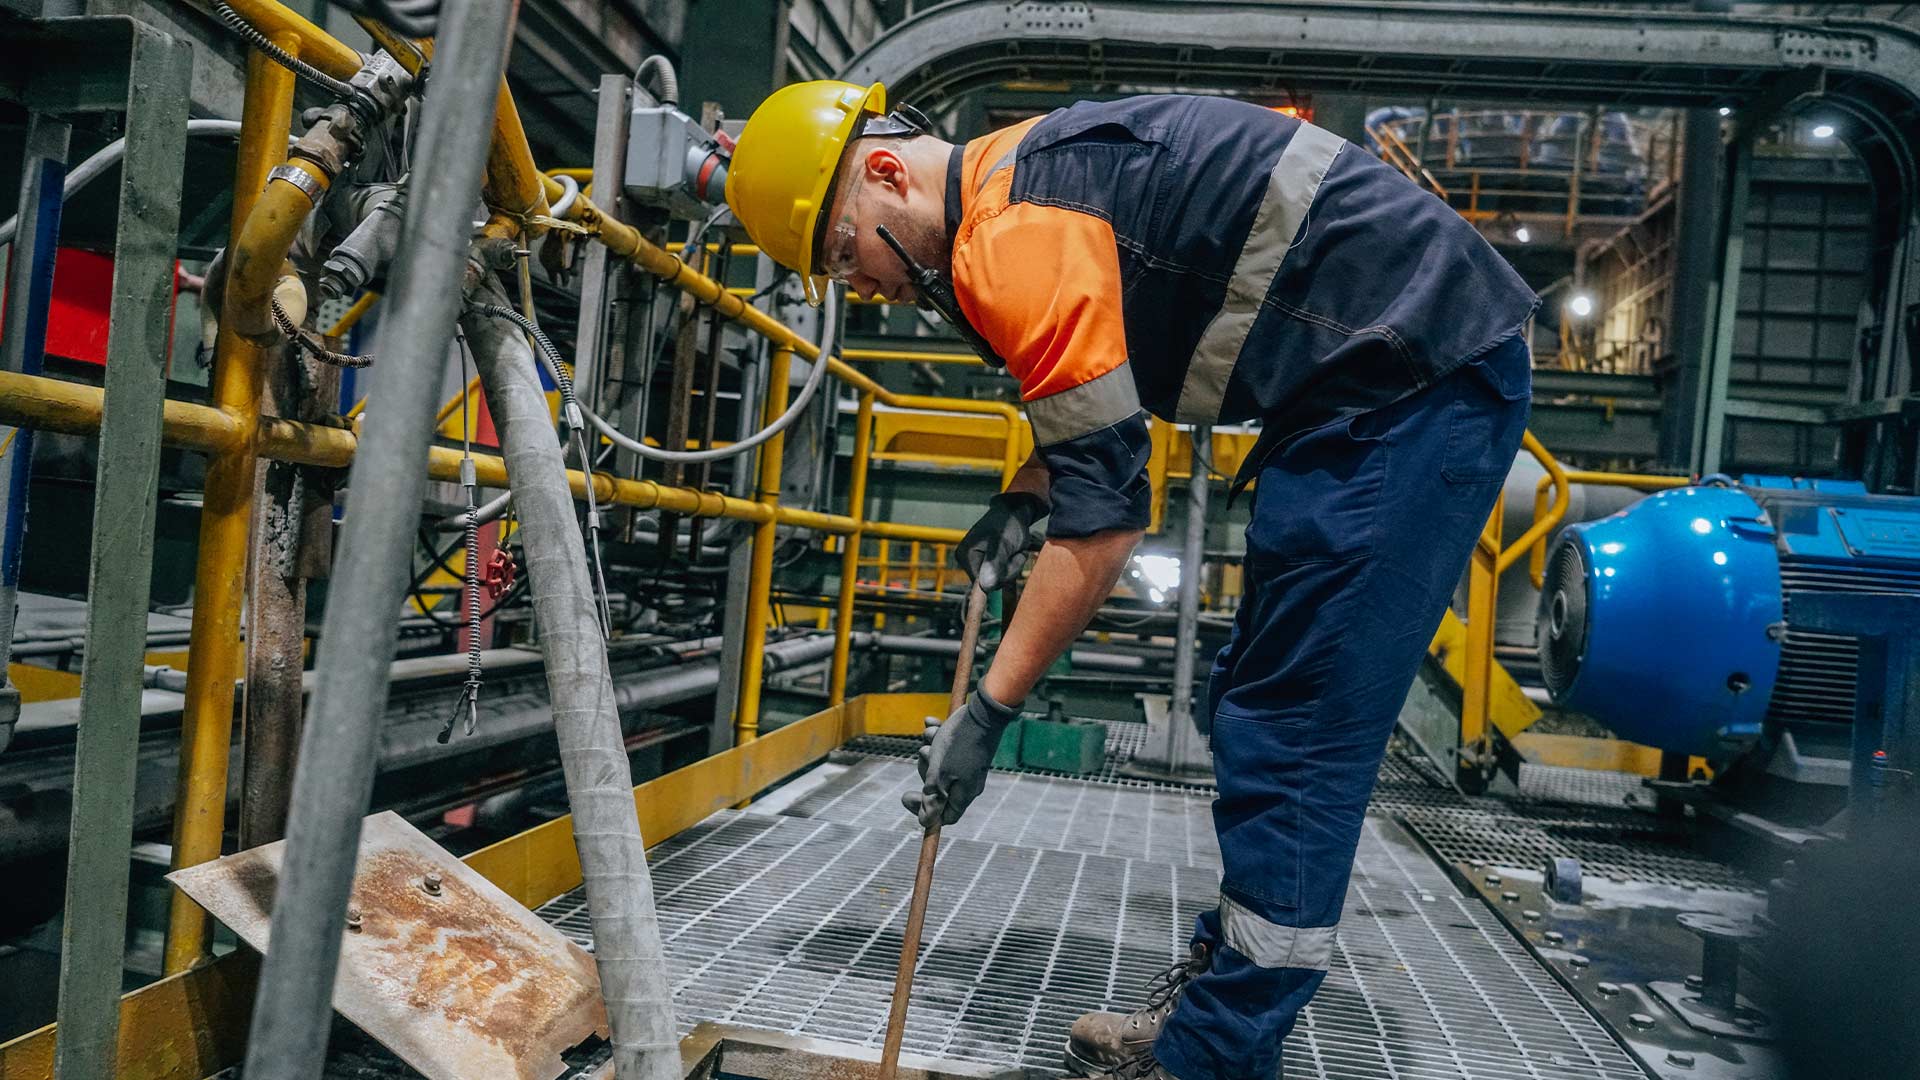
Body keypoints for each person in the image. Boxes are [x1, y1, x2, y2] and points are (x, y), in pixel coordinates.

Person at [725, 80, 1537, 1080]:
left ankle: (1211, 1058)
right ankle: (1223, 997)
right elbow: (1095, 394)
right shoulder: (1011, 182)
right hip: (1366, 384)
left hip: (1413, 378)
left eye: (848, 252)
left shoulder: (1010, 234)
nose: (863, 287)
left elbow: (1105, 530)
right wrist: (1024, 498)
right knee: (1249, 698)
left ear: (887, 172)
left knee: (1295, 726)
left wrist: (986, 712)